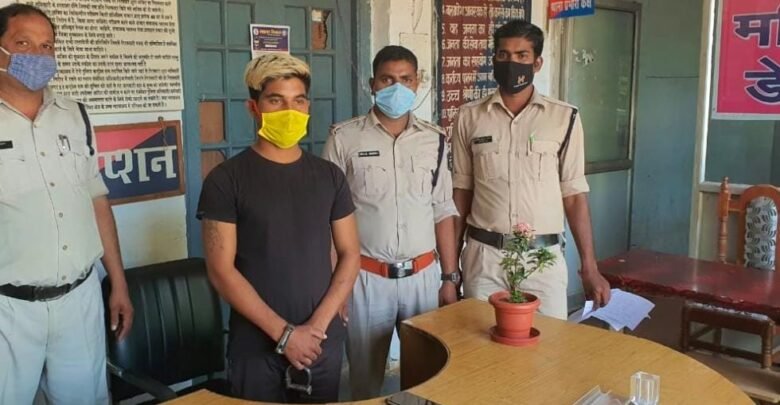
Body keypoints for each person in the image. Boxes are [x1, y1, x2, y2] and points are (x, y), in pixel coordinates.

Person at [197, 53, 361, 403]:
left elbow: (349, 253)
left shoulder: (329, 176)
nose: (290, 110)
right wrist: (286, 336)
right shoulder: (226, 180)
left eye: (298, 100)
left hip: (320, 343)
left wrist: (316, 328)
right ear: (253, 108)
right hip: (256, 347)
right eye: (276, 100)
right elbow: (221, 270)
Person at [0, 4, 133, 404]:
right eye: (23, 43)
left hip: (79, 300)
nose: (38, 56)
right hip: (8, 308)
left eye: (47, 46)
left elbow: (96, 200)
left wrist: (118, 282)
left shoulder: (74, 115)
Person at [322, 45, 460, 400]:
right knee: (365, 382)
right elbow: (329, 219)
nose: (397, 87)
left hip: (423, 278)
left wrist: (449, 278)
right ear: (372, 84)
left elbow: (443, 210)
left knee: (427, 377)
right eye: (387, 79)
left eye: (405, 79)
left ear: (417, 83)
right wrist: (336, 289)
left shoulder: (435, 139)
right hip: (366, 279)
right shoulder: (344, 137)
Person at [452, 20, 611, 320]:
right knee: (479, 341)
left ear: (537, 63)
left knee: (548, 345)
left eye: (521, 55)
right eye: (503, 54)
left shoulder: (564, 117)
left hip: (542, 260)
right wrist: (450, 271)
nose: (511, 63)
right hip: (484, 258)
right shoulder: (469, 117)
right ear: (494, 60)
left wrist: (590, 267)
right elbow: (462, 193)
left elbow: (574, 196)